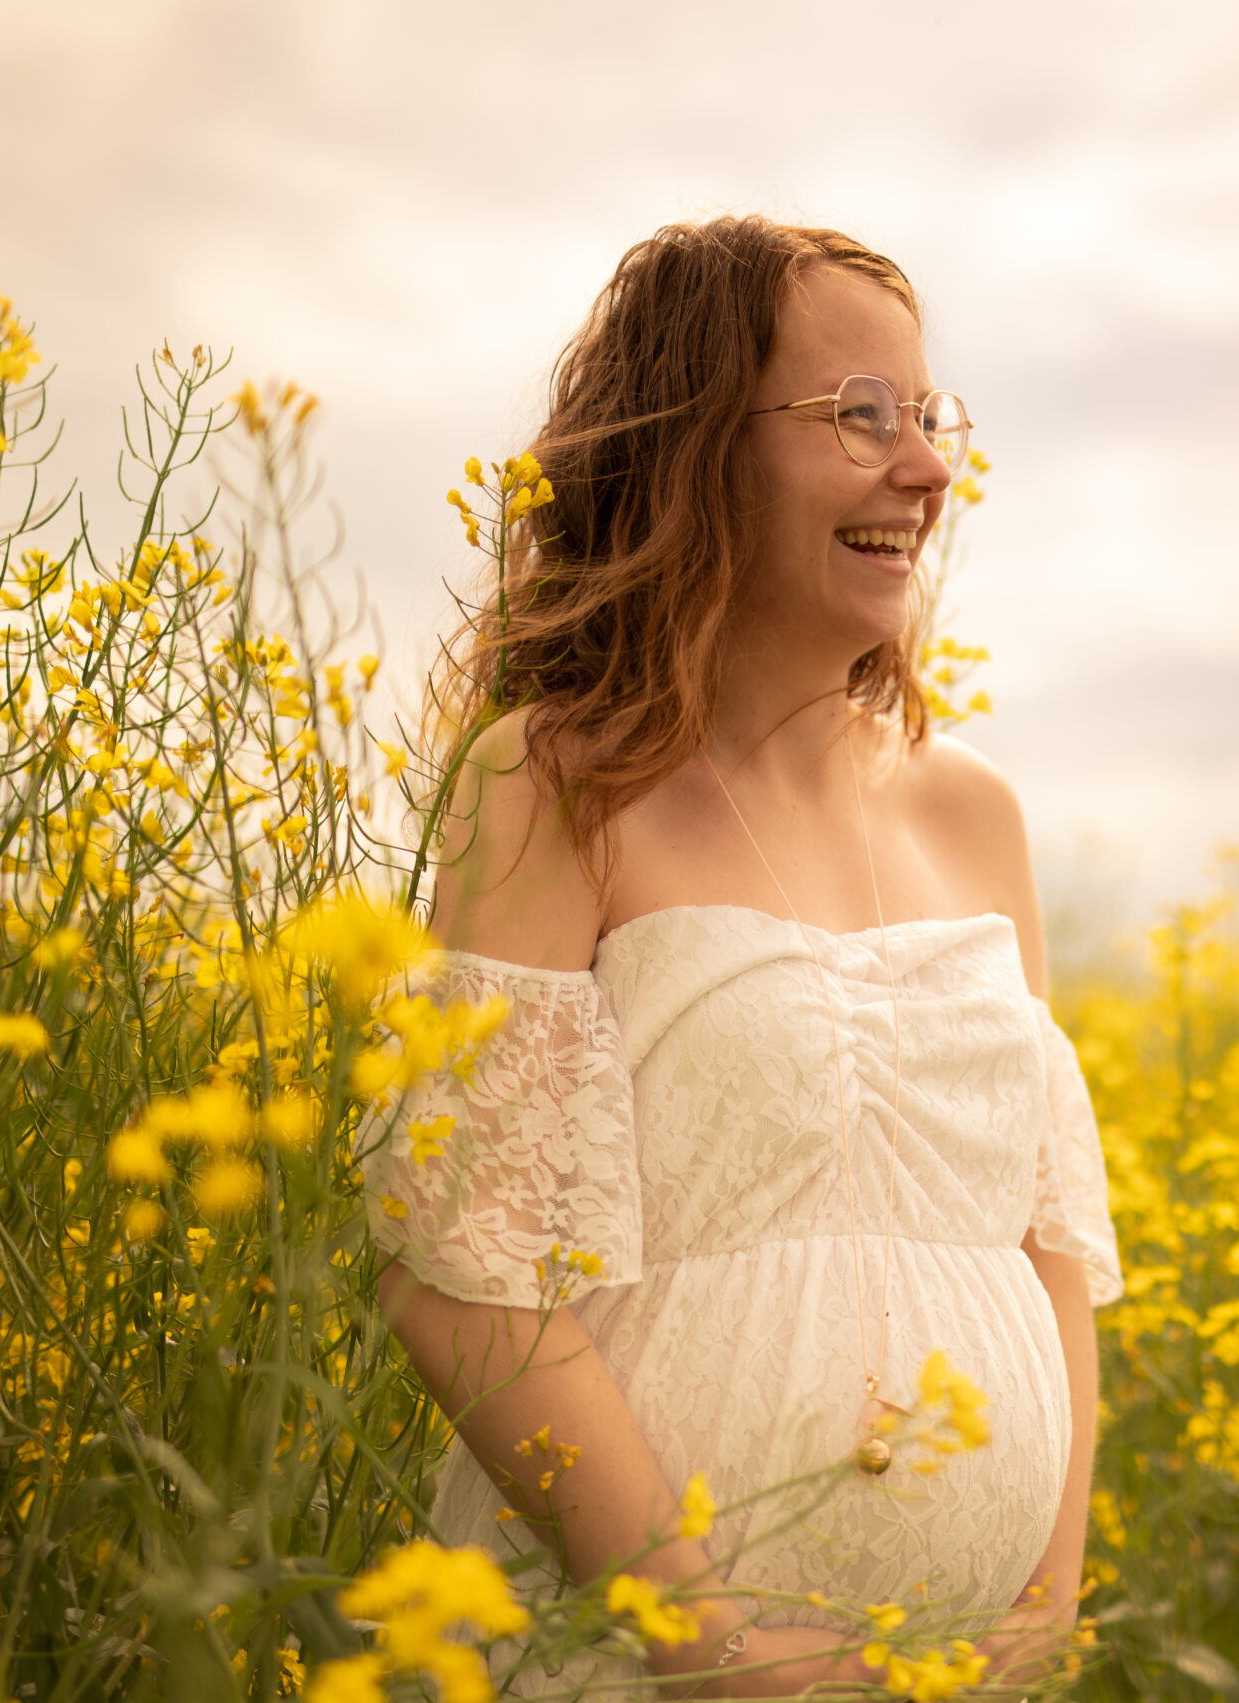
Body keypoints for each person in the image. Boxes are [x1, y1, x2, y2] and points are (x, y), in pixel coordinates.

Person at [365, 215, 1123, 1698]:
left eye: (928, 417)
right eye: (859, 418)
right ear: (696, 448)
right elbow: (462, 1284)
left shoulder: (975, 816)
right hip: (630, 1666)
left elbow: (1049, 1254)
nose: (925, 468)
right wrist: (711, 1652)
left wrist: (1046, 1600)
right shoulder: (551, 784)